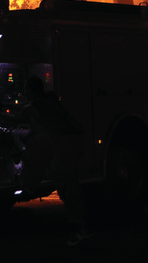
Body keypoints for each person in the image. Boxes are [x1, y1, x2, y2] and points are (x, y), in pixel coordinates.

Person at [14, 76, 93, 246]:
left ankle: (81, 229)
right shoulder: (49, 97)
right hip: (75, 138)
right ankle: (82, 226)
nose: (25, 93)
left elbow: (19, 115)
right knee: (67, 180)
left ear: (30, 91)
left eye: (26, 90)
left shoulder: (36, 105)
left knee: (66, 183)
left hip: (67, 143)